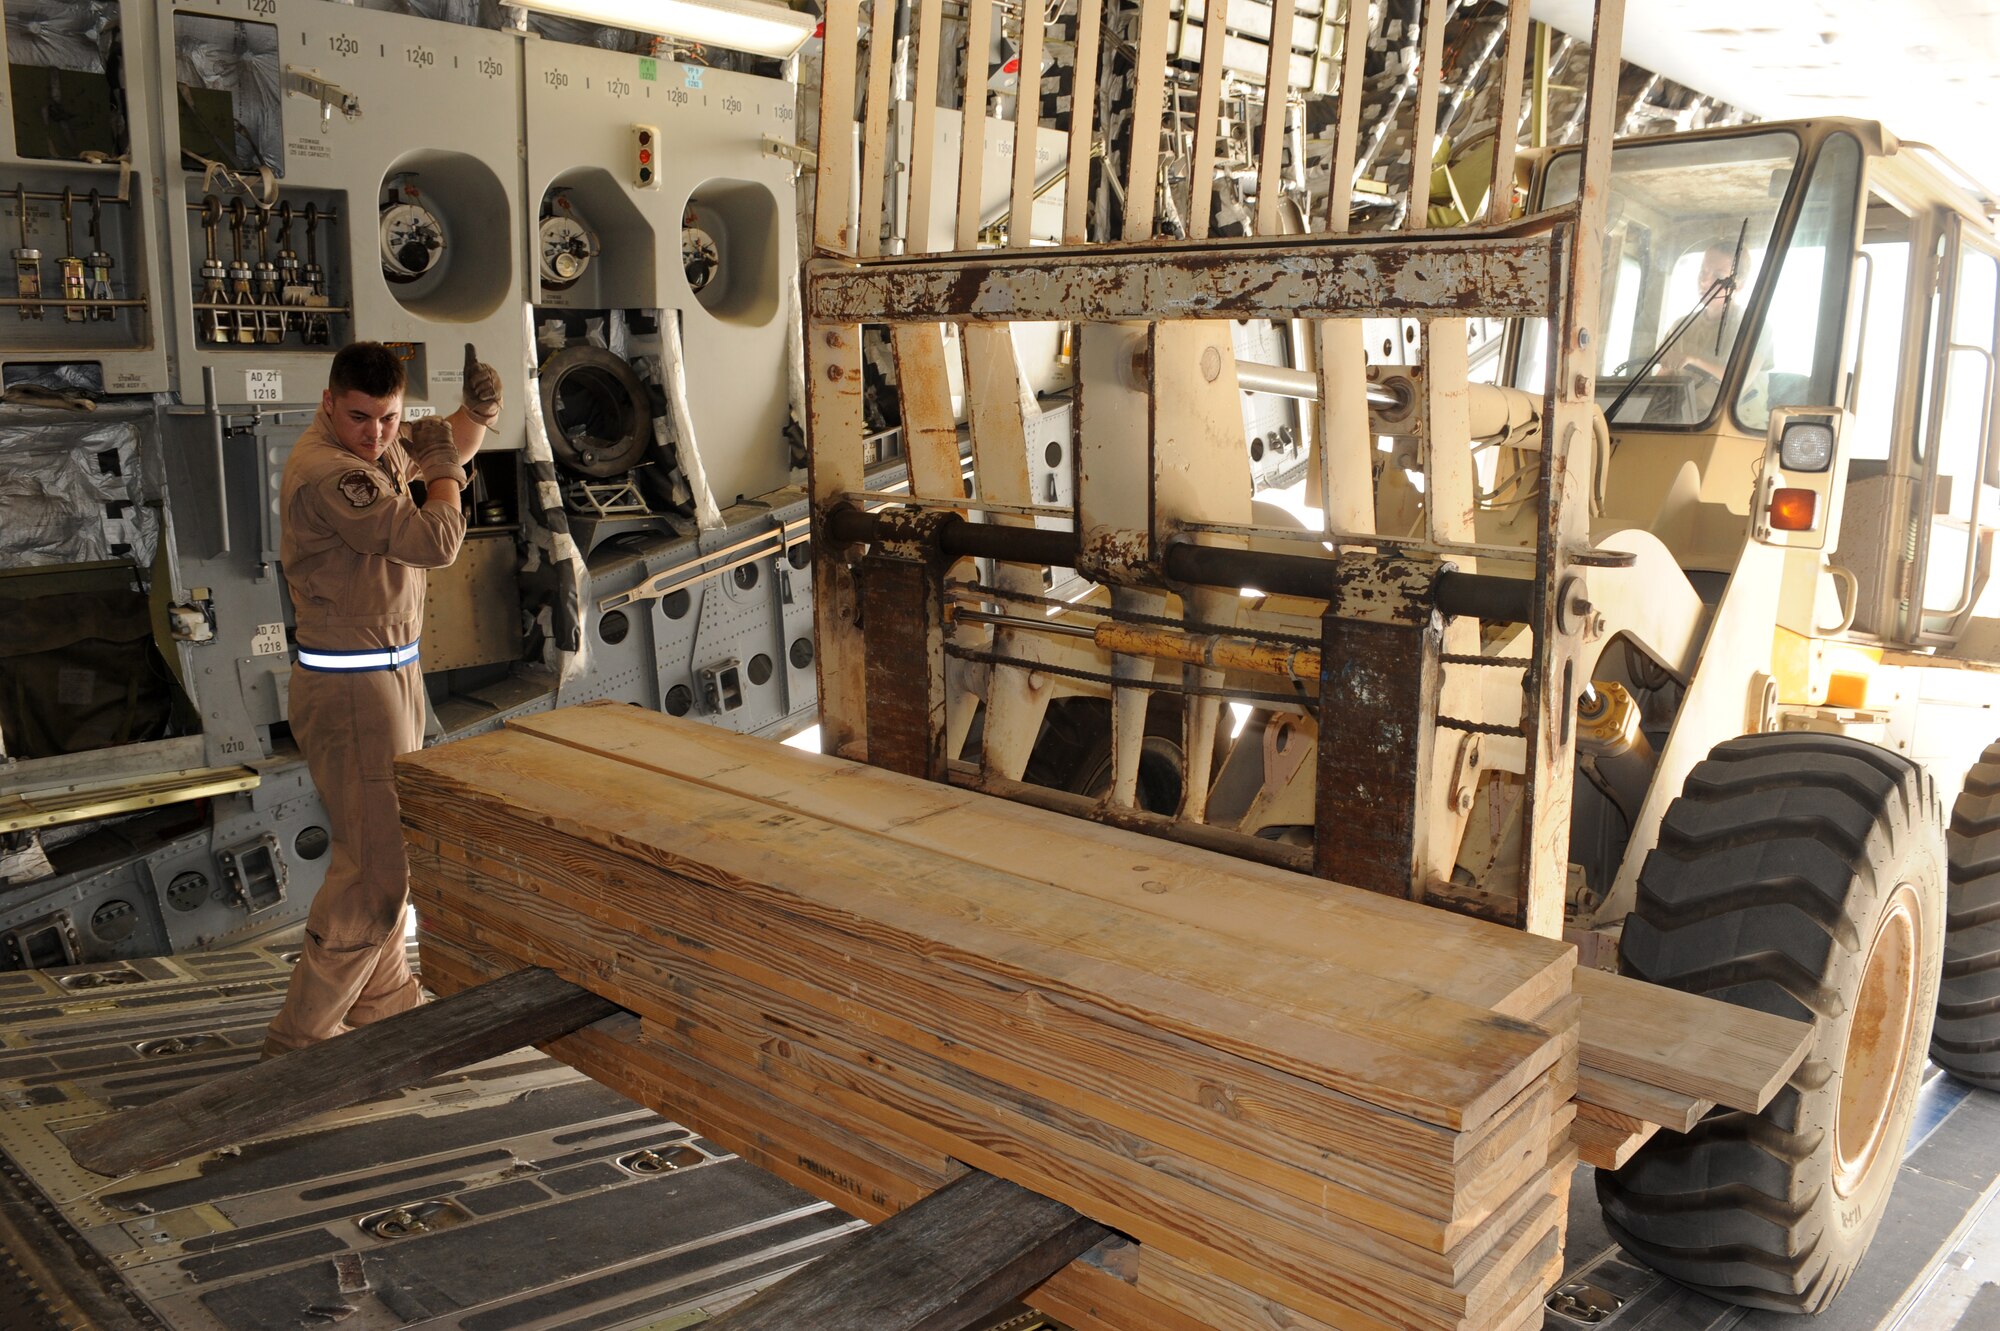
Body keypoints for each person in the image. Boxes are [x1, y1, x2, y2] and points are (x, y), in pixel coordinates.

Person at [263, 341, 502, 1055]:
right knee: (375, 871)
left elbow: (434, 448)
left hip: (388, 675)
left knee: (384, 845)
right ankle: (301, 1040)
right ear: (330, 402)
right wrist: (444, 470)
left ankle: (384, 1004)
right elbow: (435, 538)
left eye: (389, 419)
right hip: (354, 689)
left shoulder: (369, 452)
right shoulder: (329, 473)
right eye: (361, 417)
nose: (376, 434)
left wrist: (475, 416)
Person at [1660, 243, 1743, 382]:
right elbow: (1663, 378)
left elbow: (1740, 380)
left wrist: (1693, 361)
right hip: (1683, 404)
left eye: (1718, 275)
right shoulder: (1680, 326)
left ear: (1740, 284)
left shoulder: (1753, 327)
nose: (1704, 281)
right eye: (1703, 272)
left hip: (1731, 405)